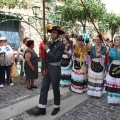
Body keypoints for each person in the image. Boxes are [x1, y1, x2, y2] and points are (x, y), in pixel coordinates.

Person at [33, 26, 65, 116]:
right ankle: (42, 108)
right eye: (52, 32)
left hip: (55, 69)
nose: (52, 34)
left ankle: (56, 106)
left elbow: (56, 58)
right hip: (47, 68)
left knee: (55, 88)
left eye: (54, 32)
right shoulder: (48, 42)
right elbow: (45, 57)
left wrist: (47, 49)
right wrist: (44, 68)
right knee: (44, 87)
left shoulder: (61, 45)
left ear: (58, 35)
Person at [106, 36, 120, 104]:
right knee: (112, 83)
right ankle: (111, 99)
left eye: (118, 40)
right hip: (112, 68)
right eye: (115, 40)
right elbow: (110, 60)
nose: (116, 41)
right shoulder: (111, 50)